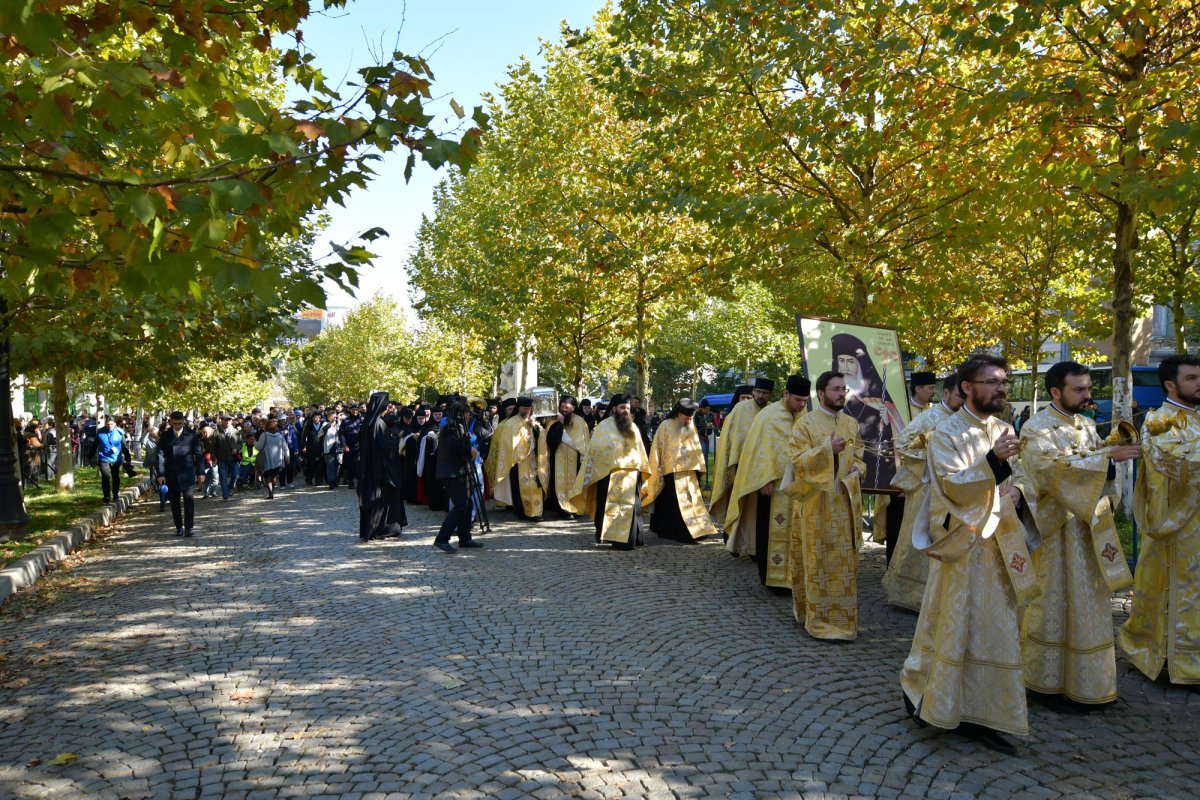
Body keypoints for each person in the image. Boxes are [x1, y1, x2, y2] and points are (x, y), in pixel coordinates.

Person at [900, 354, 1037, 755]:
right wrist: (993, 463)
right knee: (957, 626)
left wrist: (1018, 489)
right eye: (992, 381)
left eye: (1004, 382)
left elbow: (1022, 474)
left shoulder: (1004, 427)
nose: (1001, 388)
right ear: (966, 387)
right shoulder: (946, 433)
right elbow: (951, 487)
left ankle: (988, 710)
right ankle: (940, 701)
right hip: (965, 551)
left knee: (996, 629)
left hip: (1001, 549)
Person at [1014, 361, 1140, 708]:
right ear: (1056, 392)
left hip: (1087, 530)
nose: (1087, 395)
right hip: (1055, 533)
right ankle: (1045, 684)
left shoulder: (1086, 425)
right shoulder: (1035, 429)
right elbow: (1049, 471)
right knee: (1053, 602)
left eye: (1088, 388)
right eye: (1079, 389)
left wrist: (1108, 465)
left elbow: (1094, 465)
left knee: (1089, 601)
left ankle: (1091, 681)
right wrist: (1106, 458)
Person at [1119, 353, 1200, 685]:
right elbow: (1176, 465)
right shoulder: (1157, 421)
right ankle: (1175, 661)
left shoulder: (1196, 419)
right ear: (1170, 384)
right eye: (1192, 378)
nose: (1199, 383)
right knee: (1178, 592)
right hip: (1176, 528)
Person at [786, 372, 865, 639]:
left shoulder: (851, 423)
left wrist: (857, 468)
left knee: (844, 562)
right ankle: (818, 620)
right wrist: (826, 451)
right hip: (815, 505)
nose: (842, 394)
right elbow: (797, 461)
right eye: (835, 389)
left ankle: (844, 622)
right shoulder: (805, 425)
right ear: (821, 393)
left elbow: (860, 456)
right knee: (817, 561)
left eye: (844, 389)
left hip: (844, 504)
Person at [881, 373, 965, 612]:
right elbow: (902, 446)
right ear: (946, 393)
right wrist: (930, 445)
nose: (962, 401)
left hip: (955, 490)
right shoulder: (929, 418)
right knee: (918, 539)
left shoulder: (966, 420)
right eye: (959, 396)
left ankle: (944, 593)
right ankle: (910, 595)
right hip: (926, 488)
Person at [724, 377, 807, 590]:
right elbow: (757, 451)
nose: (801, 404)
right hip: (772, 487)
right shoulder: (768, 416)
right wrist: (763, 480)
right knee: (769, 533)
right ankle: (771, 579)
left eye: (805, 400)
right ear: (786, 394)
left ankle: (792, 577)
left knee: (795, 532)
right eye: (798, 399)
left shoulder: (803, 416)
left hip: (797, 486)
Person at [569, 395, 651, 550]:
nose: (625, 411)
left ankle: (629, 539)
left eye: (627, 408)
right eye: (622, 408)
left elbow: (640, 450)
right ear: (614, 409)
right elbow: (596, 449)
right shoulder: (603, 427)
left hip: (631, 475)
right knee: (606, 506)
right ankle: (606, 534)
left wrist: (641, 470)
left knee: (631, 508)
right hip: (609, 474)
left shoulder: (633, 427)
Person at [832, 332, 905, 493]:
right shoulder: (832, 402)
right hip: (842, 465)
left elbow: (892, 438)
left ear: (859, 365)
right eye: (841, 361)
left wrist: (886, 421)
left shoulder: (878, 401)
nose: (845, 366)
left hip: (874, 465)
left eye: (851, 362)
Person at [644, 398, 717, 542]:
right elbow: (657, 448)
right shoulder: (665, 425)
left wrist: (698, 468)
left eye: (691, 418)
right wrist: (658, 468)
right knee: (673, 504)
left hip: (690, 472)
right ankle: (672, 530)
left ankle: (698, 528)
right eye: (687, 417)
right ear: (678, 414)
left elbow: (696, 447)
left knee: (693, 502)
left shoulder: (691, 426)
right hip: (671, 472)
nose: (689, 420)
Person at [708, 382, 763, 529]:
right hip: (737, 464)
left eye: (748, 397)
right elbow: (728, 443)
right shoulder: (734, 414)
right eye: (742, 397)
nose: (745, 401)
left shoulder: (764, 412)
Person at [433, 399, 484, 553]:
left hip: (456, 472)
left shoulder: (457, 426)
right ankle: (442, 539)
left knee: (466, 504)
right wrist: (469, 450)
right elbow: (452, 445)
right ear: (462, 414)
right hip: (451, 473)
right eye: (467, 414)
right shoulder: (450, 427)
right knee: (461, 505)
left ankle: (465, 538)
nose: (469, 417)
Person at [358, 391, 408, 541]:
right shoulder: (378, 423)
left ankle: (372, 529)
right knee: (381, 500)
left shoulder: (368, 422)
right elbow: (386, 447)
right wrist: (396, 438)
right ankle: (380, 529)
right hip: (380, 470)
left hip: (370, 468)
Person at [492, 397, 548, 520]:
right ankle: (522, 512)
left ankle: (536, 512)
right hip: (517, 462)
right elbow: (508, 444)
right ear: (519, 408)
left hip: (533, 461)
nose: (526, 411)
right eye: (524, 409)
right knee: (519, 487)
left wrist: (535, 429)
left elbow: (542, 437)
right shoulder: (511, 423)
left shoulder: (534, 421)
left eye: (528, 409)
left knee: (535, 485)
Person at [156, 411, 205, 537]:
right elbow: (160, 455)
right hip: (171, 473)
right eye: (175, 423)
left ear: (183, 421)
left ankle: (189, 527)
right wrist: (160, 474)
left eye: (180, 423)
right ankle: (178, 526)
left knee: (189, 500)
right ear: (170, 422)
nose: (177, 426)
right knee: (174, 502)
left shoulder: (191, 434)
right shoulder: (165, 436)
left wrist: (201, 472)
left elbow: (198, 454)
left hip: (187, 472)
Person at [545, 396, 590, 520]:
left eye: (567, 407)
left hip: (575, 461)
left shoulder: (580, 422)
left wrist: (583, 458)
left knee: (575, 485)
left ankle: (574, 507)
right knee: (558, 485)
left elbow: (585, 443)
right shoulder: (553, 421)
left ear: (573, 408)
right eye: (562, 407)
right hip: (557, 459)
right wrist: (559, 424)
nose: (564, 409)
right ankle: (563, 509)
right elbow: (551, 442)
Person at [257, 418, 289, 500]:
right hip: (277, 459)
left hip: (267, 459)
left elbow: (259, 447)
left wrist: (254, 443)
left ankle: (270, 492)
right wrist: (287, 457)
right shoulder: (280, 436)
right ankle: (273, 491)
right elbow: (285, 448)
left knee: (267, 476)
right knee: (274, 476)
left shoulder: (264, 435)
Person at [96, 416, 126, 503]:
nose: (109, 426)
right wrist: (90, 455)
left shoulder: (120, 432)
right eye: (108, 424)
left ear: (115, 424)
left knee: (115, 476)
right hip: (103, 458)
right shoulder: (100, 432)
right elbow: (95, 444)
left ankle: (115, 494)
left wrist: (128, 457)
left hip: (116, 459)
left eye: (111, 424)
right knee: (105, 477)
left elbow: (124, 446)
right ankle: (106, 496)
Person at [338, 403, 363, 491]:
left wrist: (360, 442)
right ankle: (351, 481)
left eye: (356, 409)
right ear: (350, 410)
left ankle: (360, 482)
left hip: (358, 446)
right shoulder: (345, 421)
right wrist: (344, 445)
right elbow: (341, 433)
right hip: (348, 446)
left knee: (358, 463)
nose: (355, 411)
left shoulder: (362, 420)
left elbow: (364, 433)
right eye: (353, 410)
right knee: (350, 465)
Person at [215, 414, 241, 500]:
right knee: (223, 477)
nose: (227, 421)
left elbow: (240, 443)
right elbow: (213, 446)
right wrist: (213, 457)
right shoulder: (217, 432)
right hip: (221, 458)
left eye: (229, 420)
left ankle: (229, 488)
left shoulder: (235, 431)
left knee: (235, 475)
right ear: (221, 420)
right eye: (225, 420)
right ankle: (225, 495)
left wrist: (236, 449)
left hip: (233, 458)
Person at [320, 409, 341, 489]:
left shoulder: (339, 424)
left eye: (335, 417)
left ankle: (335, 480)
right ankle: (331, 482)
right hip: (328, 448)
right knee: (330, 466)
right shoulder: (325, 424)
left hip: (338, 448)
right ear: (328, 418)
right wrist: (330, 424)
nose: (334, 419)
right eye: (332, 417)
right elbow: (320, 434)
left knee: (337, 465)